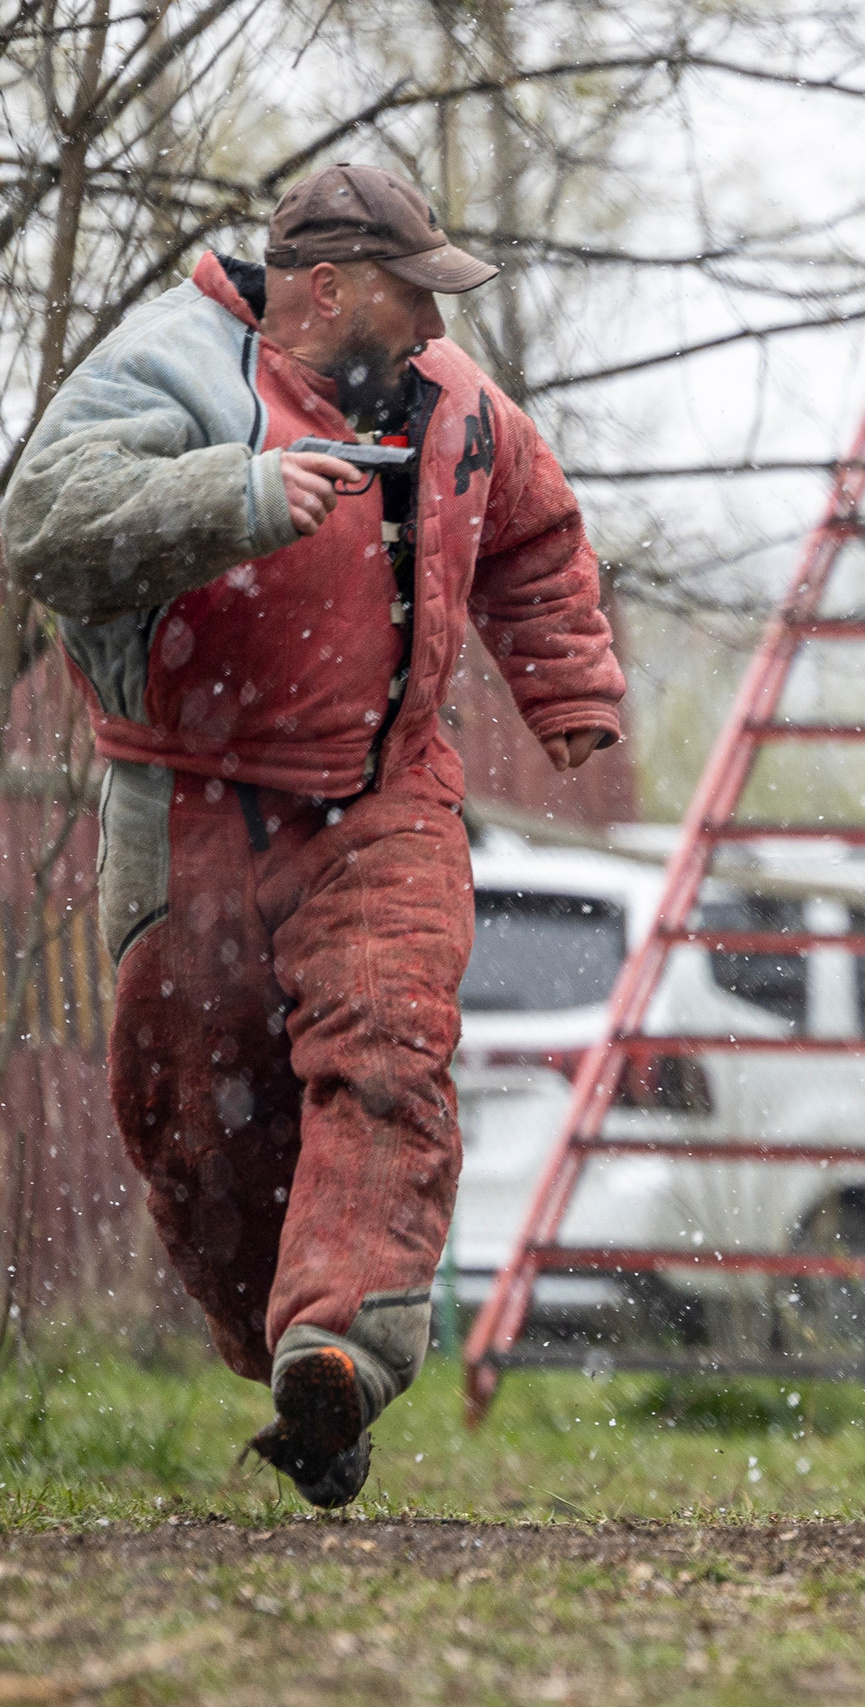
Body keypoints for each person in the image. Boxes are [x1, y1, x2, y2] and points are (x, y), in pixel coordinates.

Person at [2, 164, 625, 1505]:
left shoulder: (460, 402)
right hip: (186, 804)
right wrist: (235, 496)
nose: (433, 325)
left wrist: (569, 684)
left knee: (389, 1045)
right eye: (412, 295)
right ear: (328, 287)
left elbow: (534, 535)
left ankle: (344, 1338)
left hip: (385, 795)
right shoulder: (171, 368)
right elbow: (43, 527)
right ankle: (296, 1376)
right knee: (195, 1123)